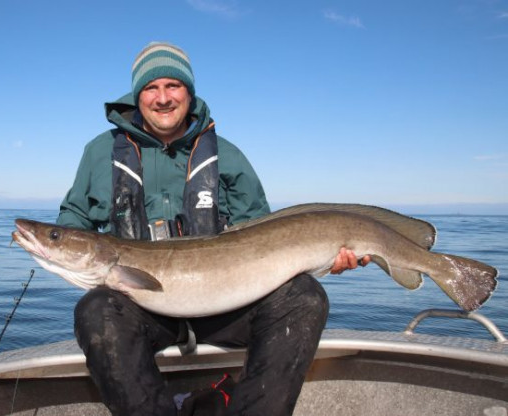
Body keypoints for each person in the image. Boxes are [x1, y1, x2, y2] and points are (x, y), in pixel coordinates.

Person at [57, 42, 367, 416]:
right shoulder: (99, 153)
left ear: (189, 92)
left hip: (227, 306)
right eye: (151, 88)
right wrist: (59, 244)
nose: (163, 98)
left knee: (304, 296)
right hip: (141, 306)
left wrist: (325, 259)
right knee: (96, 310)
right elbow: (73, 220)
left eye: (173, 86)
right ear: (137, 96)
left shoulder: (228, 155)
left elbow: (265, 236)